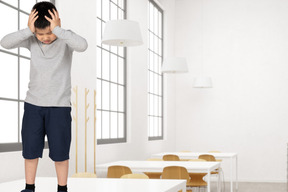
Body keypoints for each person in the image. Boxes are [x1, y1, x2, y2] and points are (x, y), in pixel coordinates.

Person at [0, 2, 88, 192]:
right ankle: (29, 188)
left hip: (60, 107)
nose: (45, 38)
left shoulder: (65, 39)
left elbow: (83, 45)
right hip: (33, 106)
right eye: (40, 34)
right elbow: (4, 42)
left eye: (49, 33)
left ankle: (62, 188)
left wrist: (58, 29)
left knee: (60, 154)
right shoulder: (31, 38)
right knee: (30, 152)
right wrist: (28, 30)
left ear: (57, 24)